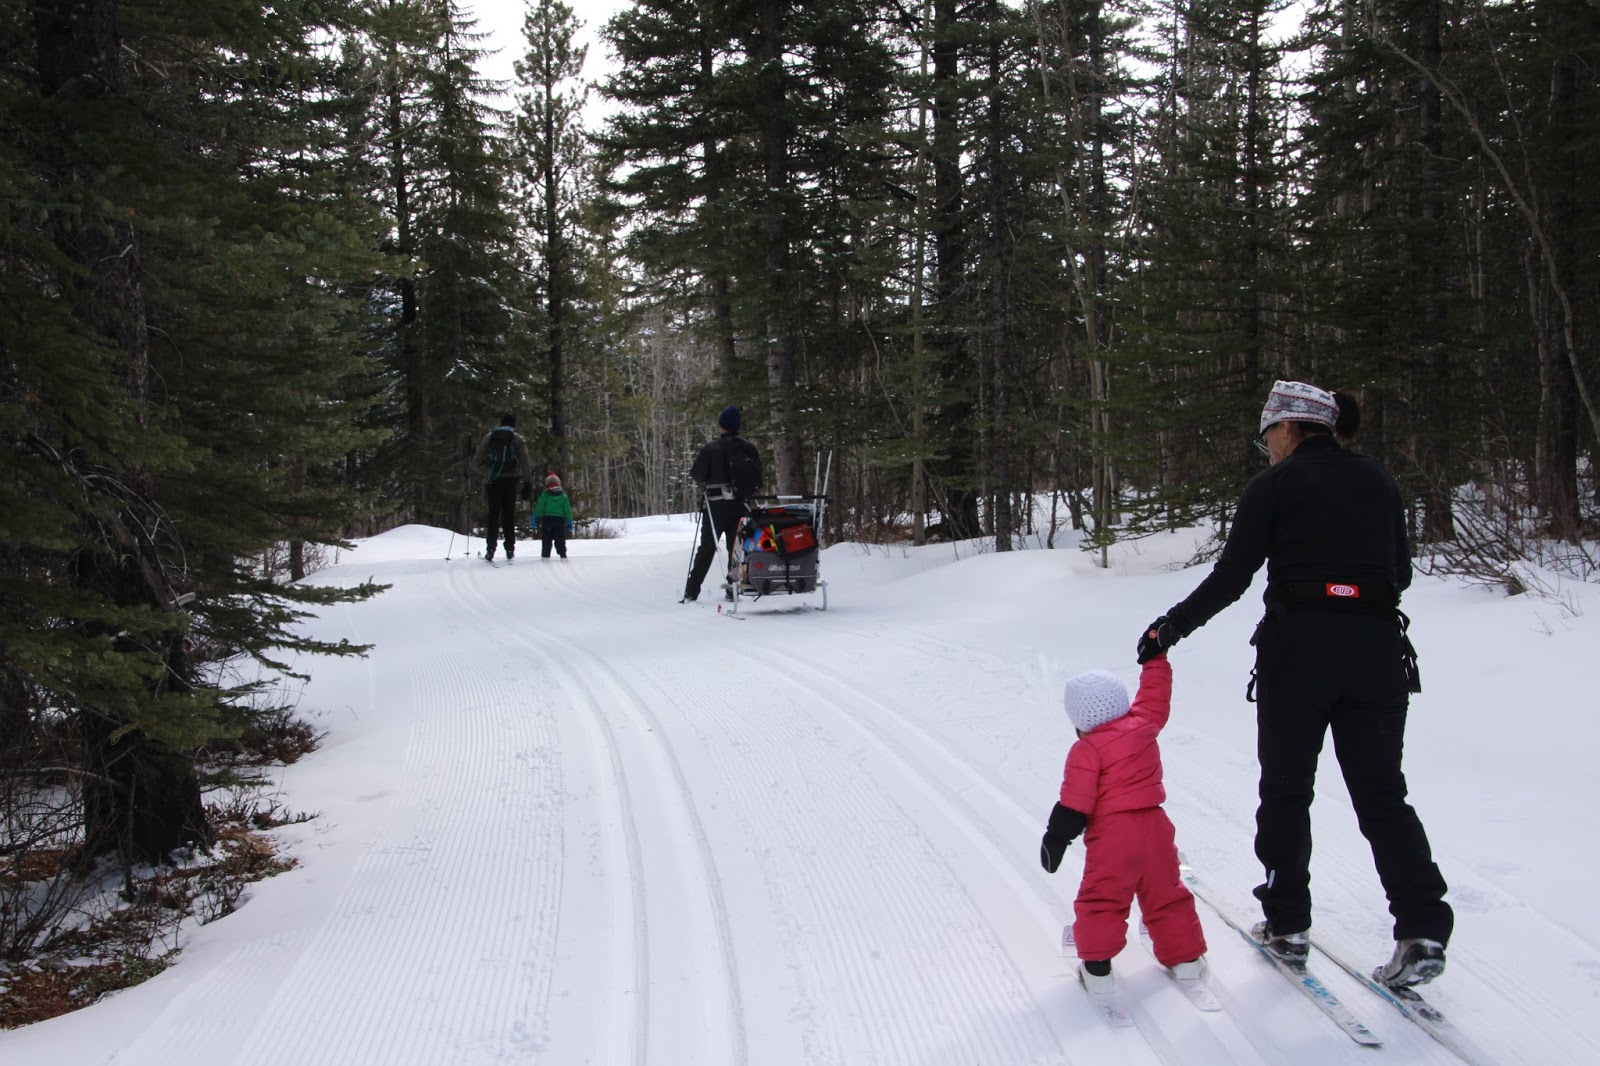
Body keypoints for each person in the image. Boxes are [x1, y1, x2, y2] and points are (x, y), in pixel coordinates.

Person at [1135, 380, 1452, 987]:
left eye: (1266, 439)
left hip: (1299, 651)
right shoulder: (1379, 480)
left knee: (1286, 790)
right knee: (1384, 795)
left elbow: (1233, 577)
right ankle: (1422, 929)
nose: (1267, 451)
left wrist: (1168, 628)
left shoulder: (1274, 486)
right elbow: (1401, 573)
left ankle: (1287, 925)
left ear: (1287, 428)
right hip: (1378, 652)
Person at [1040, 655, 1208, 996]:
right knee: (1166, 893)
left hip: (1113, 839)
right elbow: (1155, 695)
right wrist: (1155, 659)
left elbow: (1075, 801)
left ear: (1079, 719)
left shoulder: (1087, 749)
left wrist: (1056, 836)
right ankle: (1186, 960)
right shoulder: (1144, 724)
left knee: (1102, 899)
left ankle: (1098, 969)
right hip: (1156, 828)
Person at [682, 405, 762, 602]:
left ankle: (692, 591)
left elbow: (697, 474)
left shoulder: (711, 448)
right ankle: (732, 589)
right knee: (736, 548)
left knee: (707, 547)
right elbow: (758, 479)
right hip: (740, 504)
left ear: (721, 426)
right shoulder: (749, 448)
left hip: (715, 505)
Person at [470, 412, 533, 562]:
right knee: (508, 515)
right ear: (513, 424)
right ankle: (509, 548)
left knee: (493, 514)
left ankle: (490, 548)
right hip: (511, 480)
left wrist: (470, 471)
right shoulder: (517, 439)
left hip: (493, 479)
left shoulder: (490, 436)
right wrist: (527, 482)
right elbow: (525, 461)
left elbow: (479, 456)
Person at [532, 473, 573, 560]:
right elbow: (567, 510)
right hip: (559, 520)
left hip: (547, 519)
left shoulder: (545, 495)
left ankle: (545, 555)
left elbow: (539, 506)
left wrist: (535, 516)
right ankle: (562, 553)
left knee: (546, 538)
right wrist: (569, 520)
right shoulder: (563, 496)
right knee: (560, 537)